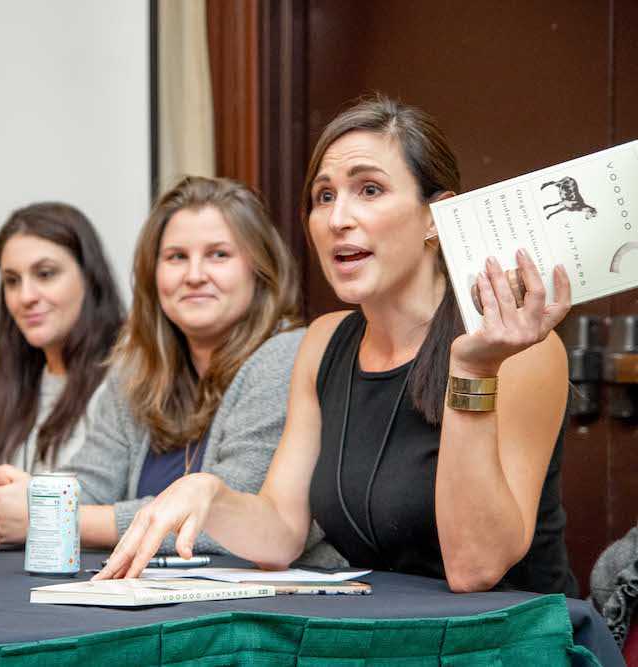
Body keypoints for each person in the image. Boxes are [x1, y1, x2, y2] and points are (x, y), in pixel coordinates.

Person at [97, 96, 577, 595]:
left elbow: (475, 569)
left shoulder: (518, 347)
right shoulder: (324, 341)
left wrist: (473, 372)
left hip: (509, 639)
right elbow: (282, 532)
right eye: (324, 197)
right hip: (375, 636)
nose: (337, 218)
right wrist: (210, 494)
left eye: (369, 190)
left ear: (437, 215)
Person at [0, 176, 343, 566]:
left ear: (259, 269)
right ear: (153, 276)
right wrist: (19, 499)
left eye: (219, 255)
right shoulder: (137, 369)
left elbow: (229, 519)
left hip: (277, 609)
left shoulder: (288, 355)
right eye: (176, 257)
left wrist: (55, 517)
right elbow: (93, 482)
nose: (194, 275)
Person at [0, 202, 124, 525]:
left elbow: (102, 498)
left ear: (90, 277)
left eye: (45, 274)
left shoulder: (126, 375)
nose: (26, 296)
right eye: (12, 280)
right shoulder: (5, 379)